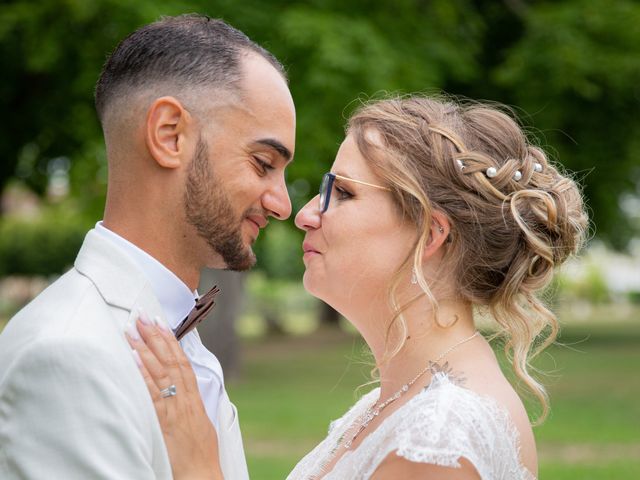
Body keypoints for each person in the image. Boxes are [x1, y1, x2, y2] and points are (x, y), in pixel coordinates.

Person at [130, 94, 588, 479]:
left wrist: (197, 466)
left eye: (342, 192)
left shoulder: (438, 438)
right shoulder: (396, 401)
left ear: (430, 234)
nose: (305, 214)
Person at [0, 14, 295, 480]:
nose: (283, 204)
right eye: (263, 164)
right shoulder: (68, 354)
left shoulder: (177, 336)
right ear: (169, 135)